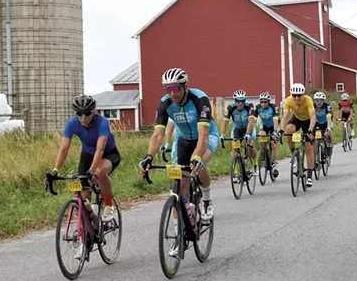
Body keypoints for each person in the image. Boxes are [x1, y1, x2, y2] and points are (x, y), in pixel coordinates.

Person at [139, 68, 218, 227]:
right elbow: (157, 134)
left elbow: (203, 134)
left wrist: (196, 156)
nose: (172, 93)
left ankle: (207, 200)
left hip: (207, 135)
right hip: (182, 139)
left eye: (175, 88)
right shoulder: (164, 103)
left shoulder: (199, 99)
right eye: (168, 89)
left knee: (199, 163)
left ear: (185, 87)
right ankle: (179, 230)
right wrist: (149, 156)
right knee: (179, 178)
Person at [52, 94, 120, 226]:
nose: (83, 118)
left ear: (94, 112)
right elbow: (64, 148)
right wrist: (55, 170)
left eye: (87, 113)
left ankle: (108, 205)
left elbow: (100, 149)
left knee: (100, 172)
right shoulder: (71, 124)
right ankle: (89, 224)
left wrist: (92, 170)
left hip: (108, 153)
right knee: (84, 198)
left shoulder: (102, 122)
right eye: (79, 113)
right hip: (87, 155)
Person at [279, 83, 317, 187]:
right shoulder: (288, 100)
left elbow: (313, 118)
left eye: (299, 95)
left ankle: (309, 176)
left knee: (309, 147)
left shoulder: (308, 100)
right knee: (288, 129)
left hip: (308, 121)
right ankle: (294, 153)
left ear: (303, 95)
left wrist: (309, 130)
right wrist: (281, 130)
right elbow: (285, 117)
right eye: (294, 95)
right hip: (297, 118)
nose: (296, 98)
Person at [219, 90, 258, 169]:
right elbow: (225, 122)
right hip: (237, 128)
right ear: (235, 101)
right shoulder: (231, 108)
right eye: (238, 101)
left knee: (249, 145)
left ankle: (255, 163)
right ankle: (236, 172)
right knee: (235, 148)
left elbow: (251, 121)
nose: (240, 103)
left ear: (245, 101)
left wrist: (248, 134)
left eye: (242, 101)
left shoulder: (249, 106)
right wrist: (222, 135)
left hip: (249, 127)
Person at [251, 91, 280, 177]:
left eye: (265, 102)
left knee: (274, 144)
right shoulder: (257, 108)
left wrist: (275, 131)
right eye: (261, 102)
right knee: (261, 135)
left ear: (269, 102)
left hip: (273, 126)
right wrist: (252, 131)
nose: (263, 104)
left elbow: (275, 120)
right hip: (264, 125)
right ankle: (263, 150)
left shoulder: (273, 107)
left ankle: (276, 165)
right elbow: (253, 121)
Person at [313, 91, 334, 155]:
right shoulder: (313, 106)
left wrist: (328, 127)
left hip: (327, 121)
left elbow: (329, 116)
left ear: (323, 101)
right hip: (317, 122)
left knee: (328, 134)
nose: (318, 102)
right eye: (316, 100)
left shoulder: (327, 106)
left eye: (320, 100)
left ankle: (329, 146)